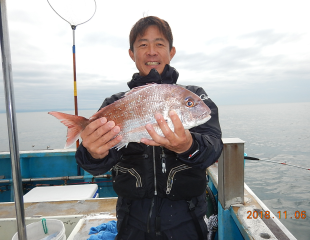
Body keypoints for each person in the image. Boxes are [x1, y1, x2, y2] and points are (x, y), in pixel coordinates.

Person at [76, 16, 223, 240]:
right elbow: (94, 166)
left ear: (172, 52)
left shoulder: (194, 94)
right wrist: (93, 153)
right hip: (131, 223)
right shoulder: (114, 104)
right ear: (131, 54)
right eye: (143, 45)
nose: (151, 51)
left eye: (159, 44)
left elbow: (213, 147)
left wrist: (187, 146)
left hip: (188, 223)